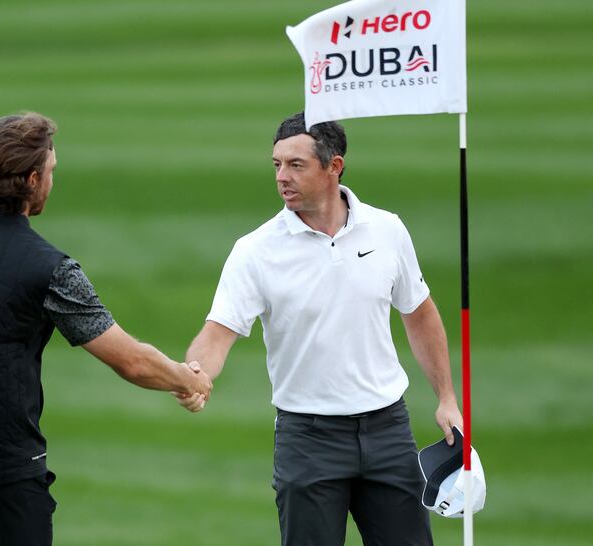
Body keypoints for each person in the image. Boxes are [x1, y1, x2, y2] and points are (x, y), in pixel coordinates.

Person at [0, 112, 211, 546]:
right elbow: (130, 360)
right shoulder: (49, 267)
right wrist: (186, 379)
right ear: (31, 180)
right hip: (5, 473)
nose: (52, 180)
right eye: (50, 171)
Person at [176, 112, 463, 545]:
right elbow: (219, 330)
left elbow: (419, 312)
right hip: (308, 441)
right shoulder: (255, 251)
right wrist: (194, 374)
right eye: (276, 165)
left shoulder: (387, 230)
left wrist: (446, 398)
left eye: (296, 165)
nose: (282, 177)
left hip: (388, 430)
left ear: (334, 166)